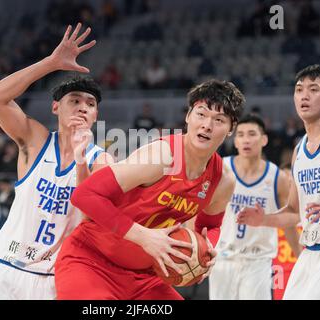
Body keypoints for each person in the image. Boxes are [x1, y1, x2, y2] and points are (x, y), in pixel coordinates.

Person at [55, 79, 246, 300]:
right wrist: (144, 236)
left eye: (219, 120)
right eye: (201, 114)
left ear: (231, 128)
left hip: (146, 277)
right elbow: (84, 195)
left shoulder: (223, 180)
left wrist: (205, 250)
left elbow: (210, 226)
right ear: (188, 116)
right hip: (91, 261)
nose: (207, 125)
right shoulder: (161, 156)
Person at [0, 23, 113, 300]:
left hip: (55, 279)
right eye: (74, 100)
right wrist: (51, 63)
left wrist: (80, 161)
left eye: (90, 104)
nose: (82, 107)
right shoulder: (36, 140)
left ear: (95, 116)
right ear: (55, 107)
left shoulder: (101, 160)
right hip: (6, 270)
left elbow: (93, 217)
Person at [238, 65, 320, 300]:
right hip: (310, 253)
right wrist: (264, 219)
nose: (304, 96)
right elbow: (294, 211)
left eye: (313, 89)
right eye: (299, 90)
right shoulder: (299, 150)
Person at [208, 114, 300, 300]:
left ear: (264, 139)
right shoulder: (221, 169)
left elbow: (288, 221)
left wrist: (300, 255)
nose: (246, 140)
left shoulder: (278, 178)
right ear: (234, 141)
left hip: (258, 261)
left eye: (252, 134)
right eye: (240, 135)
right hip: (222, 257)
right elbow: (200, 207)